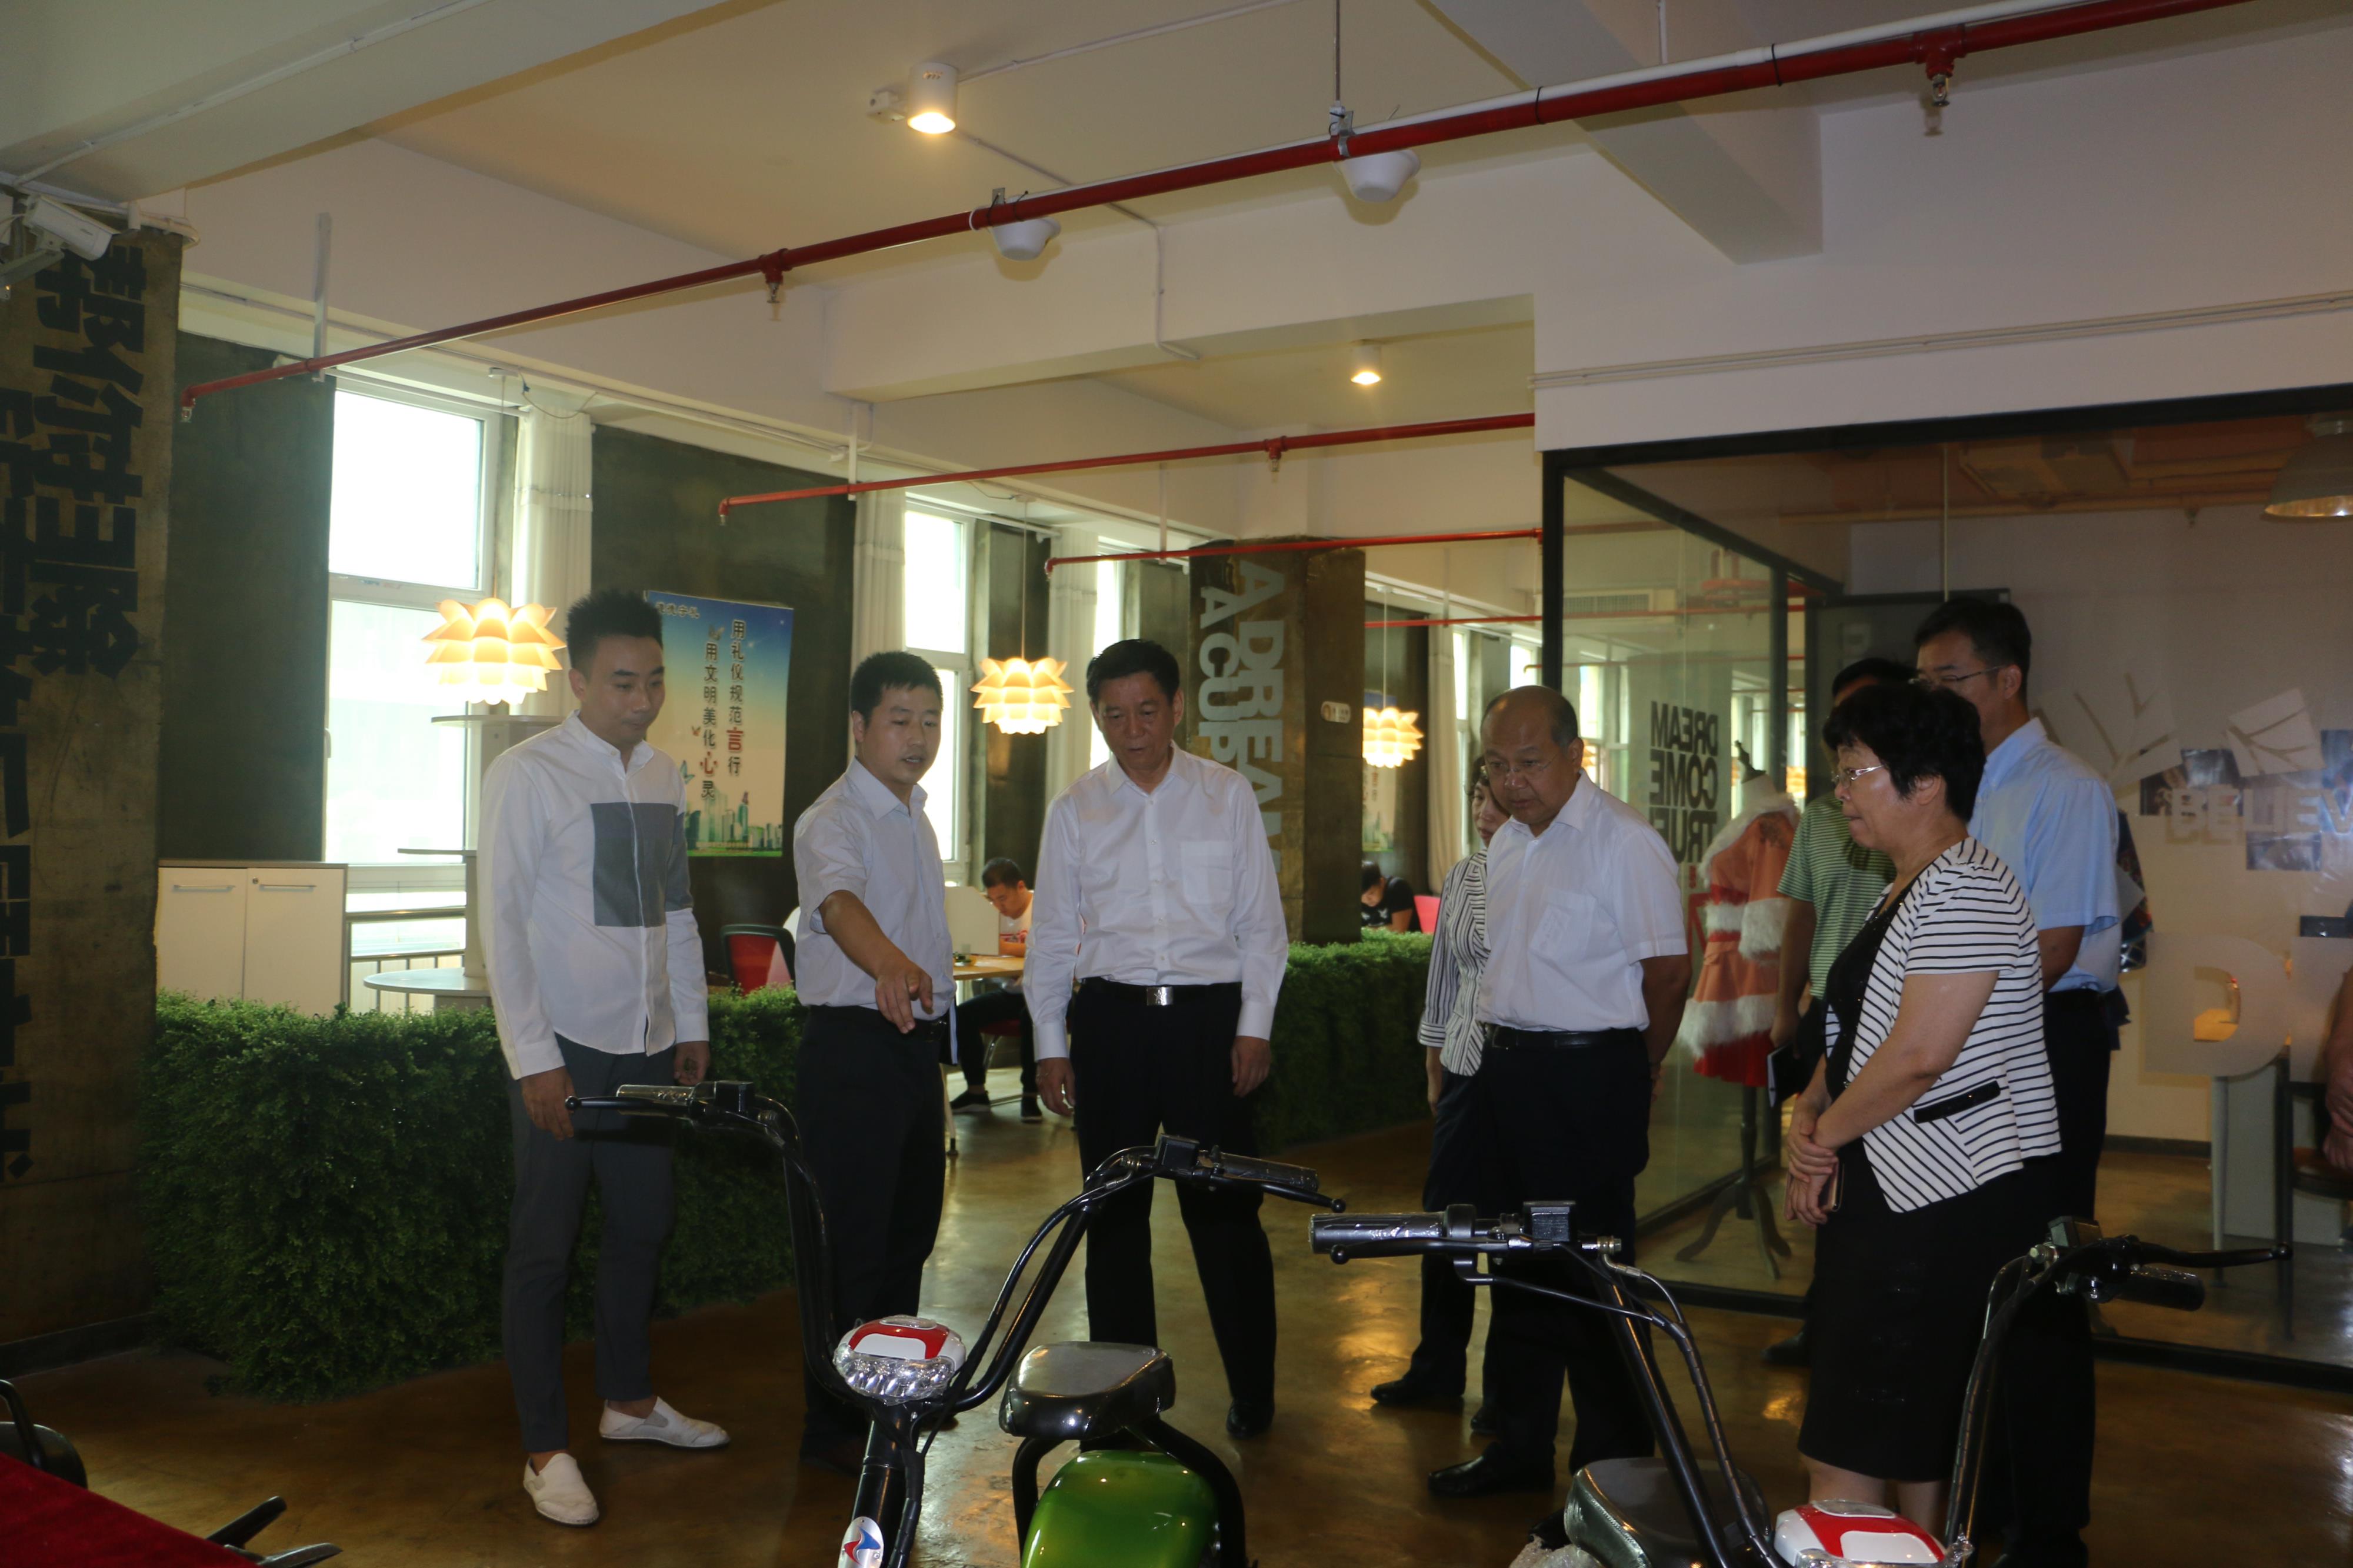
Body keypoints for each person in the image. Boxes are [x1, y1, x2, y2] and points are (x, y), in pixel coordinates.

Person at [1783, 681, 2061, 1529]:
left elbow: (1918, 1057)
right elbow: (1861, 1027)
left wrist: (1820, 1140)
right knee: (1880, 1427)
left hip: (1942, 1199)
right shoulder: (1908, 883)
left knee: (1891, 1428)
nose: (1841, 792)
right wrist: (1809, 1107)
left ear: (1927, 781)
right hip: (1895, 1189)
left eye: (1856, 771)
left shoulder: (1966, 886)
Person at [481, 588, 728, 1529]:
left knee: (643, 1223)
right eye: (623, 682)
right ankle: (544, 1448)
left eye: (655, 680)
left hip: (648, 1044)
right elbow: (502, 925)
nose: (642, 699)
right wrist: (534, 1059)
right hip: (566, 1047)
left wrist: (690, 1020)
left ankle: (627, 1401)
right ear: (576, 679)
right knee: (543, 1249)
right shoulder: (528, 773)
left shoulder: (663, 774)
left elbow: (676, 909)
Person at [1429, 686, 1689, 1506]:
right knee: (1517, 1268)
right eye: (1496, 765)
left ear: (1578, 754)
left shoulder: (1624, 841)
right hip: (1507, 1073)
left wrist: (1635, 1067)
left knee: (1593, 1275)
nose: (1512, 782)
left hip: (1587, 1075)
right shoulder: (1507, 844)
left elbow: (1668, 974)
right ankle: (1518, 1443)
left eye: (1530, 762)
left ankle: (1613, 1472)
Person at [1026, 639, 1289, 1439]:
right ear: (1096, 715)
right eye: (1114, 715)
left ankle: (1254, 1390)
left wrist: (1253, 1026)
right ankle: (1125, 1395)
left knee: (1225, 1215)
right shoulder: (1075, 808)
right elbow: (1052, 937)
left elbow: (1262, 925)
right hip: (1111, 1025)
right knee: (1113, 1220)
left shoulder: (1225, 794)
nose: (1132, 730)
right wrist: (1049, 1041)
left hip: (1209, 1026)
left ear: (1177, 708)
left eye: (1147, 711)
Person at [1915, 598, 2116, 1568]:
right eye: (1921, 683)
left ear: (2007, 680)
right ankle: (1986, 1497)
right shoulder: (1957, 785)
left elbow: (2055, 946)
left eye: (1946, 680)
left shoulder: (2064, 788)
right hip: (1973, 1043)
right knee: (1977, 1275)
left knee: (2042, 1283)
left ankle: (2050, 1530)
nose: (1931, 698)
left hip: (2047, 1042)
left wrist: (1941, 1018)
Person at [789, 652, 956, 1474]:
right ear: (859, 726)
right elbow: (838, 903)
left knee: (906, 1236)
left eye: (930, 720)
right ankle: (833, 1426)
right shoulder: (834, 818)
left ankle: (892, 1401)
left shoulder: (915, 814)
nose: (918, 736)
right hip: (853, 1050)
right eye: (900, 719)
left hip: (911, 1051)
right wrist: (889, 963)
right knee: (849, 1245)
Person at [1760, 655, 1915, 1367]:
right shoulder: (1826, 818)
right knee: (1823, 1182)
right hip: (1830, 1005)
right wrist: (1785, 1007)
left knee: (1870, 1172)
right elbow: (1801, 914)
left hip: (1897, 1013)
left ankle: (1871, 1325)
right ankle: (1826, 1318)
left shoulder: (1918, 832)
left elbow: (1922, 1053)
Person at [1367, 762, 1509, 1427]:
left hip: (1526, 1073)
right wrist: (1433, 1064)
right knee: (1445, 1221)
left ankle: (1508, 1394)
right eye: (1477, 795)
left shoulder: (1544, 872)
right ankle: (1437, 1368)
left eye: (1495, 798)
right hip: (1463, 1067)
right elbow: (1444, 977)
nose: (1484, 810)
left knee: (1512, 1233)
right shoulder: (1462, 876)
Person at [1673, 763, 1798, 1084]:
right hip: (1733, 953)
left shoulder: (1770, 825)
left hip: (1750, 960)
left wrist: (1761, 947)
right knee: (1746, 1054)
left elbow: (1771, 904)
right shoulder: (1760, 822)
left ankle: (1762, 1117)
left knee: (1757, 1052)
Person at [951, 856, 1041, 1122]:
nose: (999, 907)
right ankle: (976, 1092)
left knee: (1031, 1017)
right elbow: (976, 946)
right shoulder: (992, 914)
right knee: (962, 1015)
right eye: (992, 901)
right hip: (1012, 992)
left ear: (1021, 887)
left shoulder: (1043, 908)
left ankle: (1030, 1095)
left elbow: (1045, 949)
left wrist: (997, 947)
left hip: (1046, 994)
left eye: (1003, 899)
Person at [1361, 861, 1421, 931]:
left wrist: (1365, 930)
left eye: (1371, 893)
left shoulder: (1398, 887)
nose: (1366, 900)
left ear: (1382, 882)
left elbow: (1399, 930)